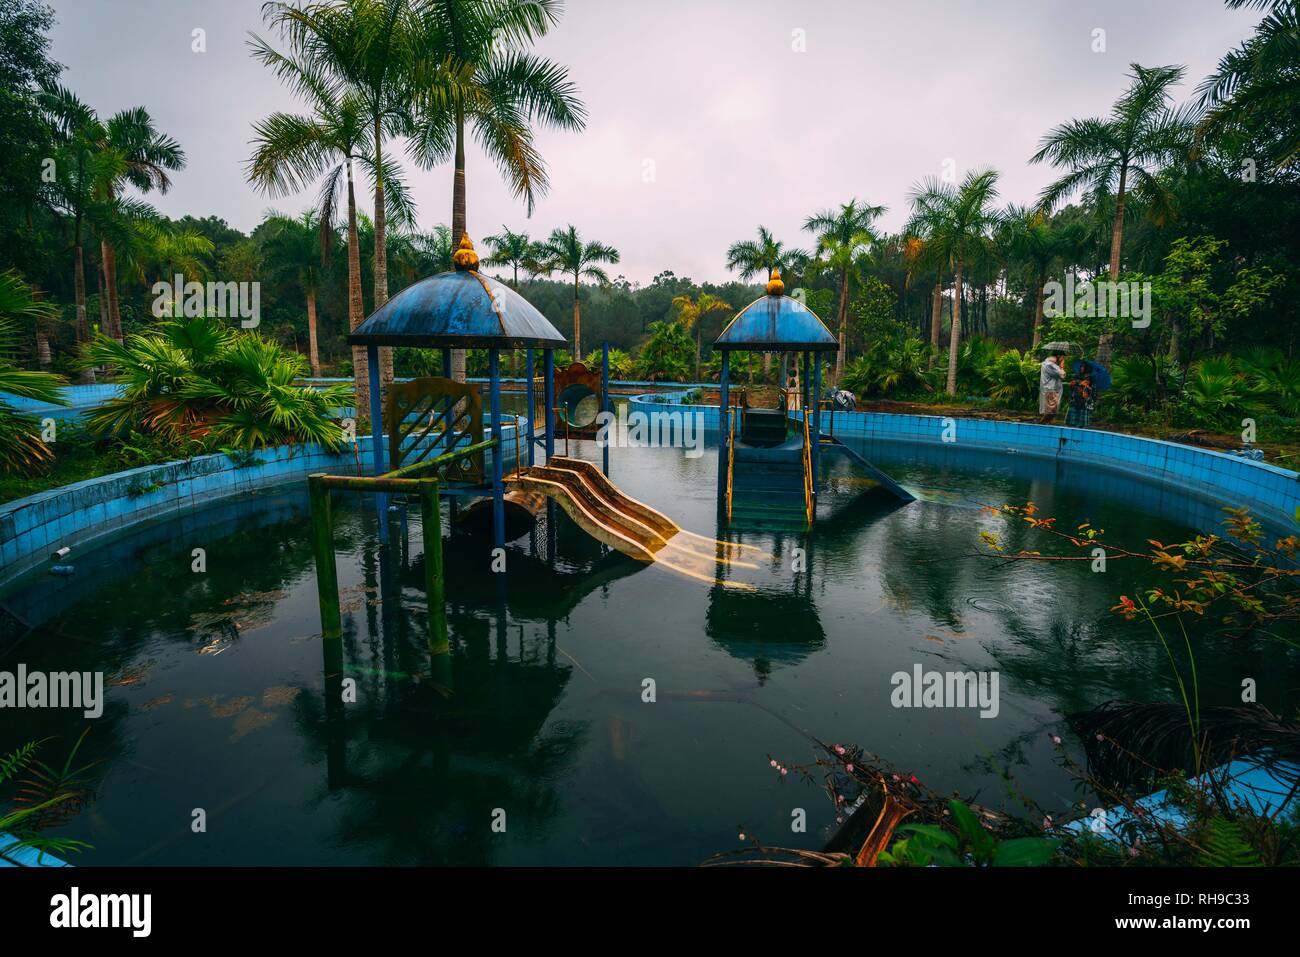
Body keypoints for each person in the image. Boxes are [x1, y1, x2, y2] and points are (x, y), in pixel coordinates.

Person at [1038, 351, 1064, 423]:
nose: (1063, 359)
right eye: (1062, 357)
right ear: (1058, 356)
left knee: (1051, 411)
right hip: (1051, 390)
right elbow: (1062, 375)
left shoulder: (1049, 364)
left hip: (1050, 390)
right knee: (1051, 411)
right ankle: (1042, 424)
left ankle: (1045, 423)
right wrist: (1061, 365)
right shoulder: (1050, 365)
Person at [1066, 361, 1094, 427]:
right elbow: (1075, 385)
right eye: (1081, 366)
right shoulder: (1078, 375)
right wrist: (1072, 384)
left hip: (1082, 398)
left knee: (1081, 420)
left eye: (1083, 367)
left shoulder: (1088, 376)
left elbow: (1085, 384)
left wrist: (1077, 383)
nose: (1081, 368)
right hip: (1075, 397)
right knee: (1071, 421)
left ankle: (1079, 427)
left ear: (1086, 368)